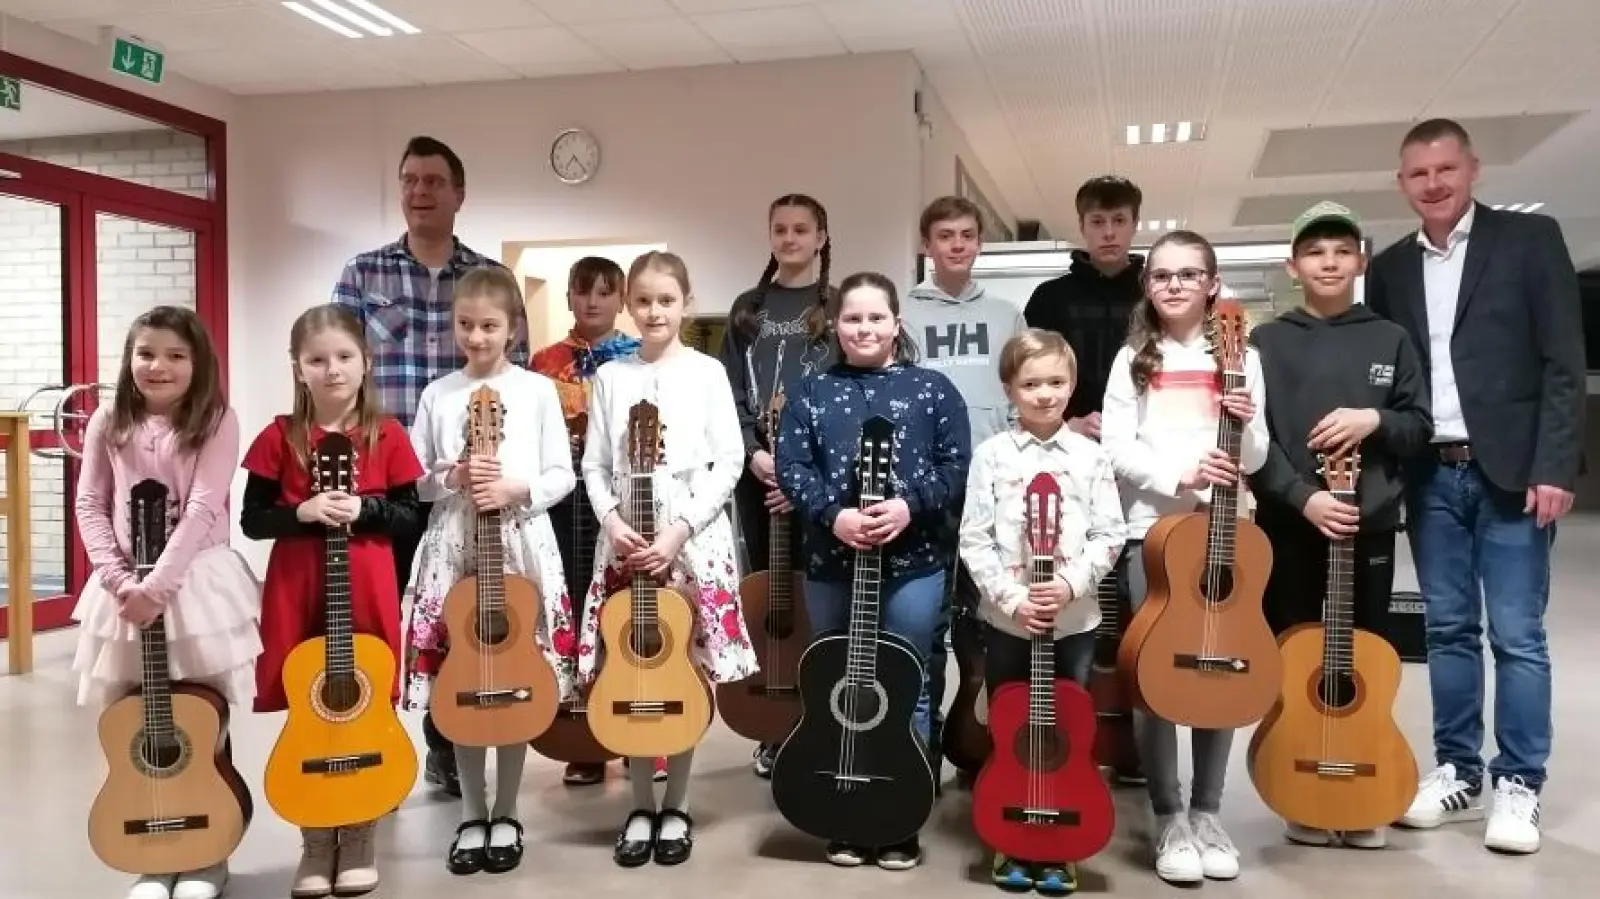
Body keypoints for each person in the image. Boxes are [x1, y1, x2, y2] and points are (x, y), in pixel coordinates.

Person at [1365, 118, 1584, 855]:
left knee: (1518, 635)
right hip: (1432, 473)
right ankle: (1458, 768)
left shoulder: (1529, 242)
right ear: (1402, 183)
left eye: (1446, 169)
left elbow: (1563, 361)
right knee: (1447, 630)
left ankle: (1518, 781)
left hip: (1514, 474)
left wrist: (1556, 463)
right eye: (1419, 174)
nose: (1434, 184)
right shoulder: (1390, 266)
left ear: (1473, 169)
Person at [332, 135, 523, 798]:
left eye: (434, 180)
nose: (420, 191)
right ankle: (371, 741)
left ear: (459, 193)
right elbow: (334, 366)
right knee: (377, 615)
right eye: (409, 179)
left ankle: (447, 743)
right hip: (384, 478)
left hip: (461, 488)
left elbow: (509, 373)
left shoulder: (484, 274)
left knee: (457, 616)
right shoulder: (363, 274)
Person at [1247, 201, 1433, 849]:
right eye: (1314, 251)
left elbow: (1419, 426)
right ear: (1293, 264)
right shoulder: (1266, 340)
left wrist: (1372, 420)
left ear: (1360, 260)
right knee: (1296, 655)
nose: (1328, 261)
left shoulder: (1391, 338)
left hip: (1367, 523)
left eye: (1341, 250)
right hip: (1292, 522)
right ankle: (1302, 788)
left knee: (1367, 655)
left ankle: (1361, 785)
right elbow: (1253, 442)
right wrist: (1302, 497)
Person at [776, 271, 971, 870]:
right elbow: (793, 465)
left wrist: (909, 505)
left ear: (897, 324)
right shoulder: (810, 391)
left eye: (876, 318)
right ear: (836, 326)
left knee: (907, 685)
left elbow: (957, 464)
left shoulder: (933, 389)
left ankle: (900, 814)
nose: (864, 328)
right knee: (841, 683)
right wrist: (832, 516)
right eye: (853, 318)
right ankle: (848, 807)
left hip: (914, 561)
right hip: (834, 561)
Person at [71, 306, 262, 899]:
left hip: (198, 585)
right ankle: (153, 853)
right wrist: (118, 580)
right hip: (123, 590)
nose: (159, 366)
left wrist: (159, 587)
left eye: (176, 355)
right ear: (129, 361)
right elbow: (90, 504)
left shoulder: (216, 420)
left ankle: (209, 854)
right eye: (146, 353)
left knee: (205, 720)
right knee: (133, 716)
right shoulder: (110, 419)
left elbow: (205, 507)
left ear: (198, 363)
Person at [576, 250, 758, 868]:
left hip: (690, 534)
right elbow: (595, 465)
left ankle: (676, 801)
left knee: (680, 668)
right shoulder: (609, 377)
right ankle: (638, 801)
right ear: (630, 304)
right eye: (644, 299)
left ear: (686, 302)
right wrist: (613, 522)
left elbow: (729, 461)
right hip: (627, 534)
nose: (654, 311)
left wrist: (679, 530)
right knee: (631, 664)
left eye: (666, 299)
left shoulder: (708, 372)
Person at [1100, 230, 1268, 885]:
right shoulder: (1131, 360)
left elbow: (1254, 456)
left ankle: (1208, 812)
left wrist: (1246, 421)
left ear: (1212, 283)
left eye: (1188, 274)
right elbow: (1116, 448)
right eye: (1162, 275)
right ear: (1148, 287)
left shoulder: (1241, 356)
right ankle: (1168, 813)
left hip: (1229, 530)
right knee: (1159, 678)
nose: (1174, 285)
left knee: (1223, 669)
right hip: (1155, 531)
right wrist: (1182, 473)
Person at [240, 304, 424, 898]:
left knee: (361, 696)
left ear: (366, 363)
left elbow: (410, 517)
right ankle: (316, 841)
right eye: (317, 360)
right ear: (297, 368)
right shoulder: (278, 437)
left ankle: (362, 831)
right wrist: (301, 512)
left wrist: (364, 509)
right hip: (298, 584)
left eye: (344, 357)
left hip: (364, 581)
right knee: (309, 700)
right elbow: (251, 520)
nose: (332, 370)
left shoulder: (387, 434)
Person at [404, 267, 579, 875]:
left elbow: (563, 474)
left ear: (513, 327)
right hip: (455, 545)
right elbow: (416, 479)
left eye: (489, 326)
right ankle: (470, 812)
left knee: (514, 671)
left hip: (521, 542)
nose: (476, 337)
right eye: (465, 325)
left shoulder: (535, 391)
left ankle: (506, 811)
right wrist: (447, 476)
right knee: (464, 676)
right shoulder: (438, 393)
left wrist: (516, 486)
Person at [958, 328, 1127, 894]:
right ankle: (1011, 832)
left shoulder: (1091, 457)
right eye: (1031, 383)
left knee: (1067, 732)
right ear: (1009, 388)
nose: (1045, 394)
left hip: (1074, 622)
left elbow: (1110, 533)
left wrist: (1072, 584)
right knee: (1011, 731)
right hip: (1008, 623)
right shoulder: (991, 456)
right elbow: (974, 540)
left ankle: (1061, 838)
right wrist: (1013, 599)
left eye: (1056, 381)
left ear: (1073, 384)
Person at [1023, 174, 1149, 787]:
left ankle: (1132, 737)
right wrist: (1070, 420)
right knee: (1067, 581)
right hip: (1065, 454)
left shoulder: (1155, 292)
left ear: (1133, 224)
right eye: (1097, 221)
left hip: (1141, 466)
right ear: (1082, 226)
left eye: (1119, 220)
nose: (1108, 231)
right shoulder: (1049, 297)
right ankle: (1067, 730)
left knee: (1136, 598)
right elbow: (1035, 369)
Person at [902, 195, 1027, 783]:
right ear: (927, 245)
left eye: (967, 234)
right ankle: (920, 744)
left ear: (979, 242)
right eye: (945, 235)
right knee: (927, 621)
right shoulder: (901, 313)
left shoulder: (1006, 314)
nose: (957, 244)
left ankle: (983, 746)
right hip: (925, 493)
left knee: (989, 624)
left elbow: (1025, 393)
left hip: (994, 491)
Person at [718, 193, 835, 777]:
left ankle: (814, 714)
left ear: (820, 238)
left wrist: (805, 474)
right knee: (768, 597)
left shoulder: (836, 307)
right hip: (758, 474)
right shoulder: (748, 308)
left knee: (814, 597)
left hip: (816, 483)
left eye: (800, 230)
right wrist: (753, 454)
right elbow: (730, 393)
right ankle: (770, 722)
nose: (789, 239)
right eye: (779, 229)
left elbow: (844, 392)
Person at [530, 255, 644, 786]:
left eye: (604, 292)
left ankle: (642, 732)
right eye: (583, 291)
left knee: (630, 605)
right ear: (570, 296)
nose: (593, 301)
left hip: (622, 494)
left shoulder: (637, 358)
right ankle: (584, 738)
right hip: (560, 499)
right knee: (573, 606)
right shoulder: (544, 361)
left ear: (620, 297)